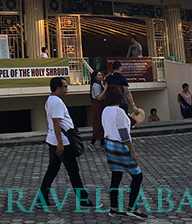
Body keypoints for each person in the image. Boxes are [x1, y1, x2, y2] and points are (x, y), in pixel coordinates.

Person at [39, 77, 99, 210]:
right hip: (63, 142)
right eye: (65, 86)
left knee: (52, 169)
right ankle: (83, 200)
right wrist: (60, 143)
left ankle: (42, 198)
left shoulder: (50, 100)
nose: (67, 89)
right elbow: (56, 123)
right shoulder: (57, 102)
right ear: (58, 88)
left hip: (54, 140)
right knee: (73, 171)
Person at [102, 84, 147, 219]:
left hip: (109, 145)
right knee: (137, 176)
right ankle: (132, 208)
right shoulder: (119, 112)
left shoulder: (105, 110)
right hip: (121, 146)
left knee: (116, 176)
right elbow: (124, 134)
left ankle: (114, 208)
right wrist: (132, 149)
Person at [88, 70, 108, 151]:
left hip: (100, 105)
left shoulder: (99, 84)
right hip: (98, 105)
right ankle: (92, 143)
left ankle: (102, 142)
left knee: (101, 123)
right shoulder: (96, 86)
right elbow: (99, 97)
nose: (101, 76)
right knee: (98, 124)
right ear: (95, 77)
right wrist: (105, 90)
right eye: (99, 75)